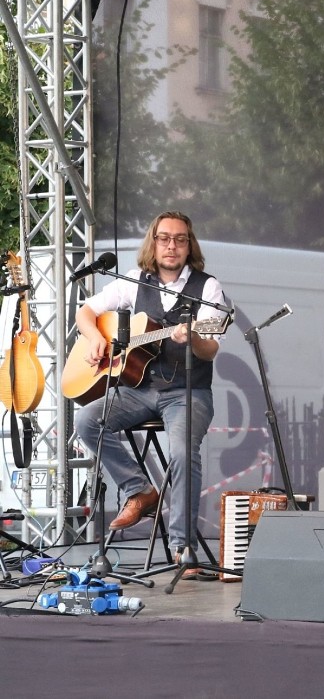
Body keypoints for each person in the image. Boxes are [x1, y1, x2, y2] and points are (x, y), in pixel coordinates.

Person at [74, 211, 225, 578]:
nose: (171, 245)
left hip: (187, 393)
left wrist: (192, 337)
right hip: (138, 390)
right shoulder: (132, 282)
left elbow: (211, 349)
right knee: (86, 419)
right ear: (153, 243)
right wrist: (96, 338)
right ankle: (139, 489)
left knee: (182, 451)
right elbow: (86, 312)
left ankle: (181, 546)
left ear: (190, 246)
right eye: (164, 238)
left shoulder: (208, 288)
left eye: (180, 239)